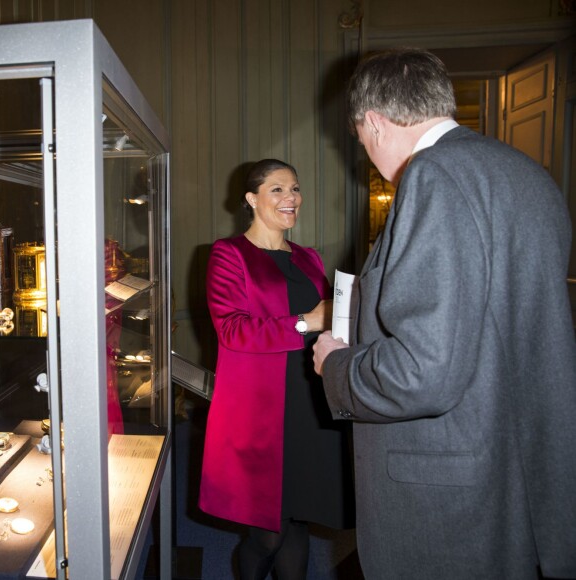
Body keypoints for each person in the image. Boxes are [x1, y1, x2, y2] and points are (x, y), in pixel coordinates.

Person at [313, 48, 576, 579]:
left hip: (444, 494)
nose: (368, 156)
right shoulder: (526, 173)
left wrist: (336, 366)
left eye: (362, 142)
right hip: (510, 466)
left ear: (376, 123)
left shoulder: (434, 175)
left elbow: (422, 373)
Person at [199, 159, 355, 579]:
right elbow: (233, 330)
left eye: (296, 189)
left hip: (310, 398)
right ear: (251, 199)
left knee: (297, 516)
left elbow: (327, 321)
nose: (291, 198)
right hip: (260, 409)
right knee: (267, 532)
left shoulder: (308, 257)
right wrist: (306, 321)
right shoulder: (228, 254)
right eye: (278, 189)